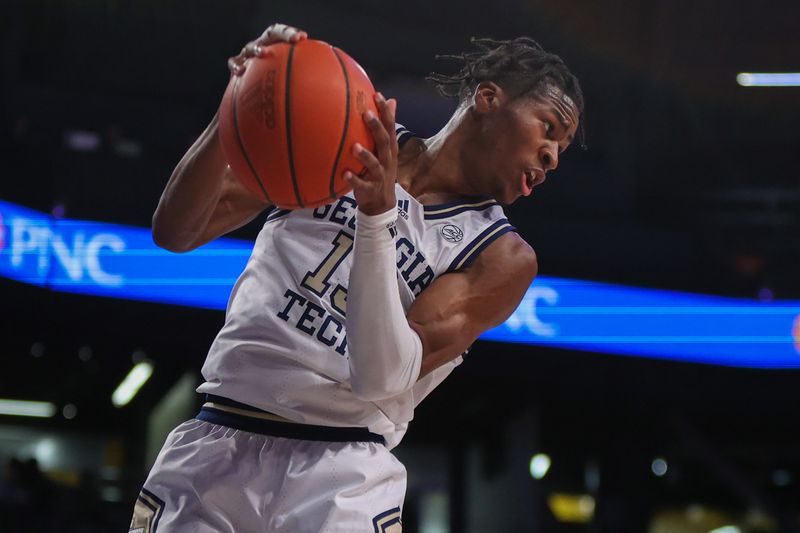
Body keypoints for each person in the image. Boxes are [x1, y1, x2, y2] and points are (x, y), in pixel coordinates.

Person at [130, 22, 583, 533]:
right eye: (549, 128)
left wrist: (375, 219)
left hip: (339, 472)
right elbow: (176, 231)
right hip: (220, 436)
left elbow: (383, 378)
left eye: (562, 151)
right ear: (488, 98)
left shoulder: (502, 256)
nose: (552, 158)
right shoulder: (343, 137)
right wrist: (238, 106)